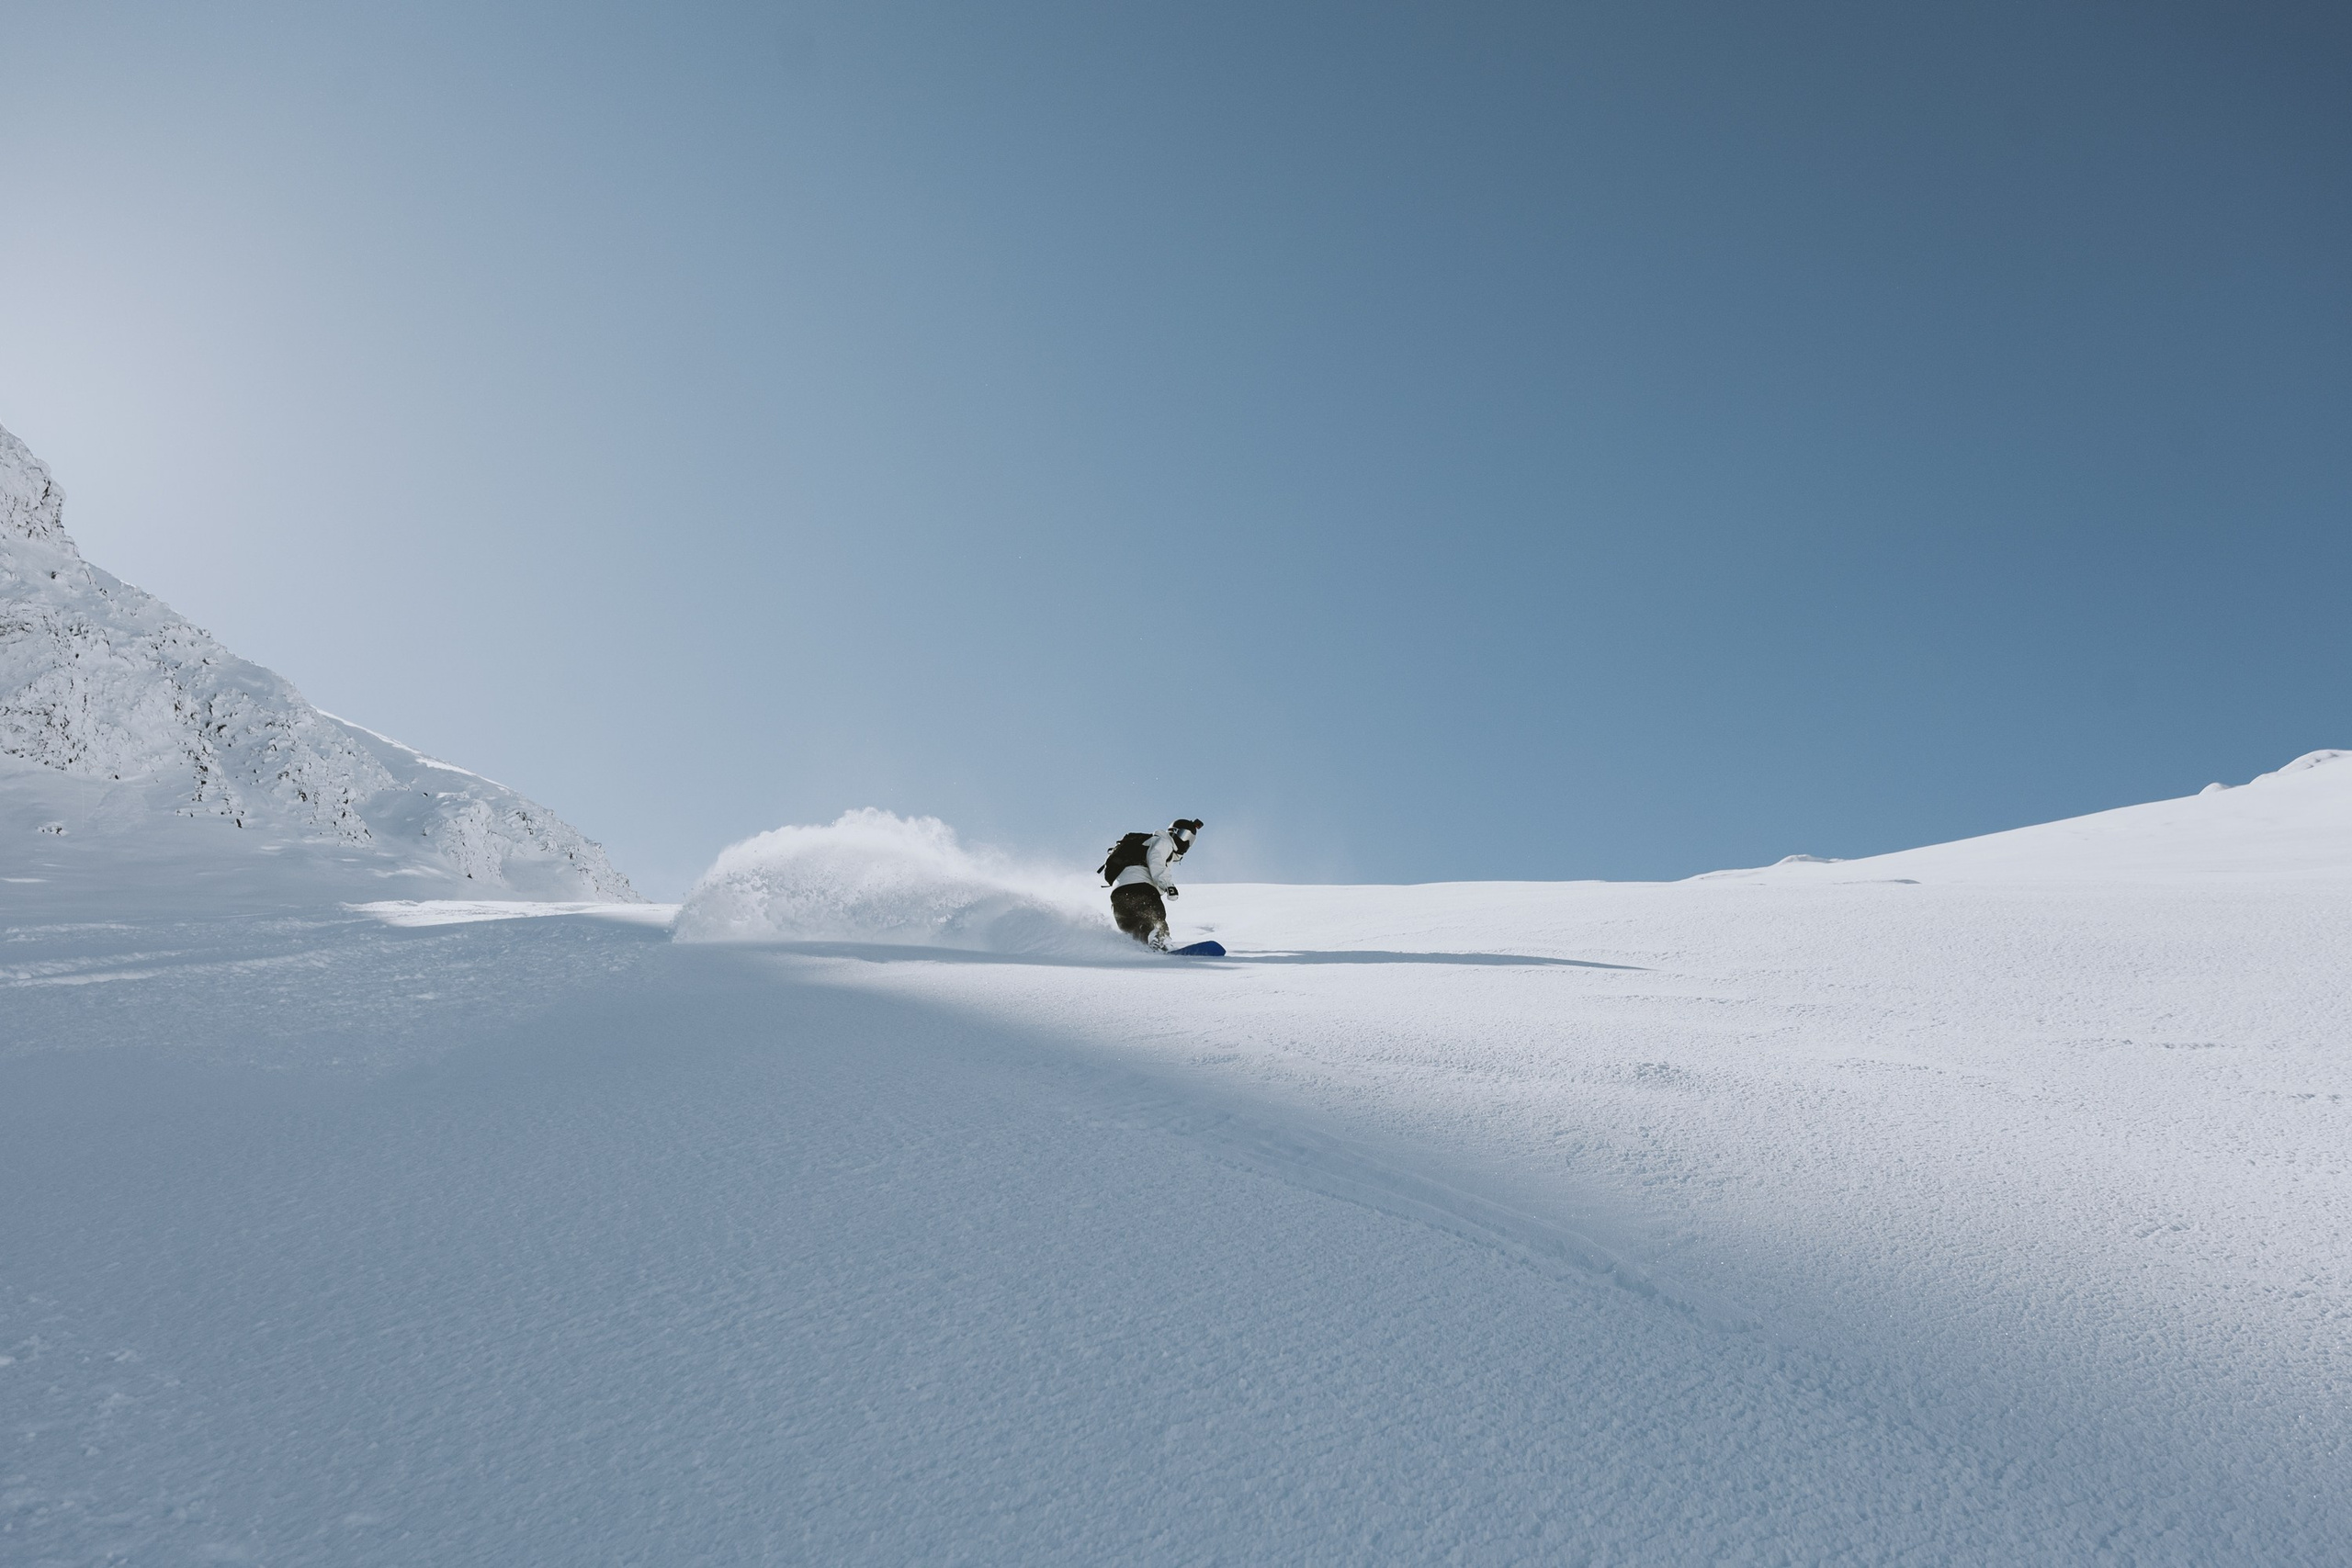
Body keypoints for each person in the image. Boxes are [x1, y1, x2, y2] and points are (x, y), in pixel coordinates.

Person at [1099, 818, 1203, 950]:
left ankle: (1143, 950)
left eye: (1190, 839)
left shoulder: (1148, 844)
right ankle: (1160, 940)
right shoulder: (1164, 842)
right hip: (1140, 888)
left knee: (1133, 931)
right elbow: (1156, 862)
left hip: (1119, 894)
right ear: (1173, 832)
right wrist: (1168, 885)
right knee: (1155, 918)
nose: (1186, 841)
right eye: (1184, 835)